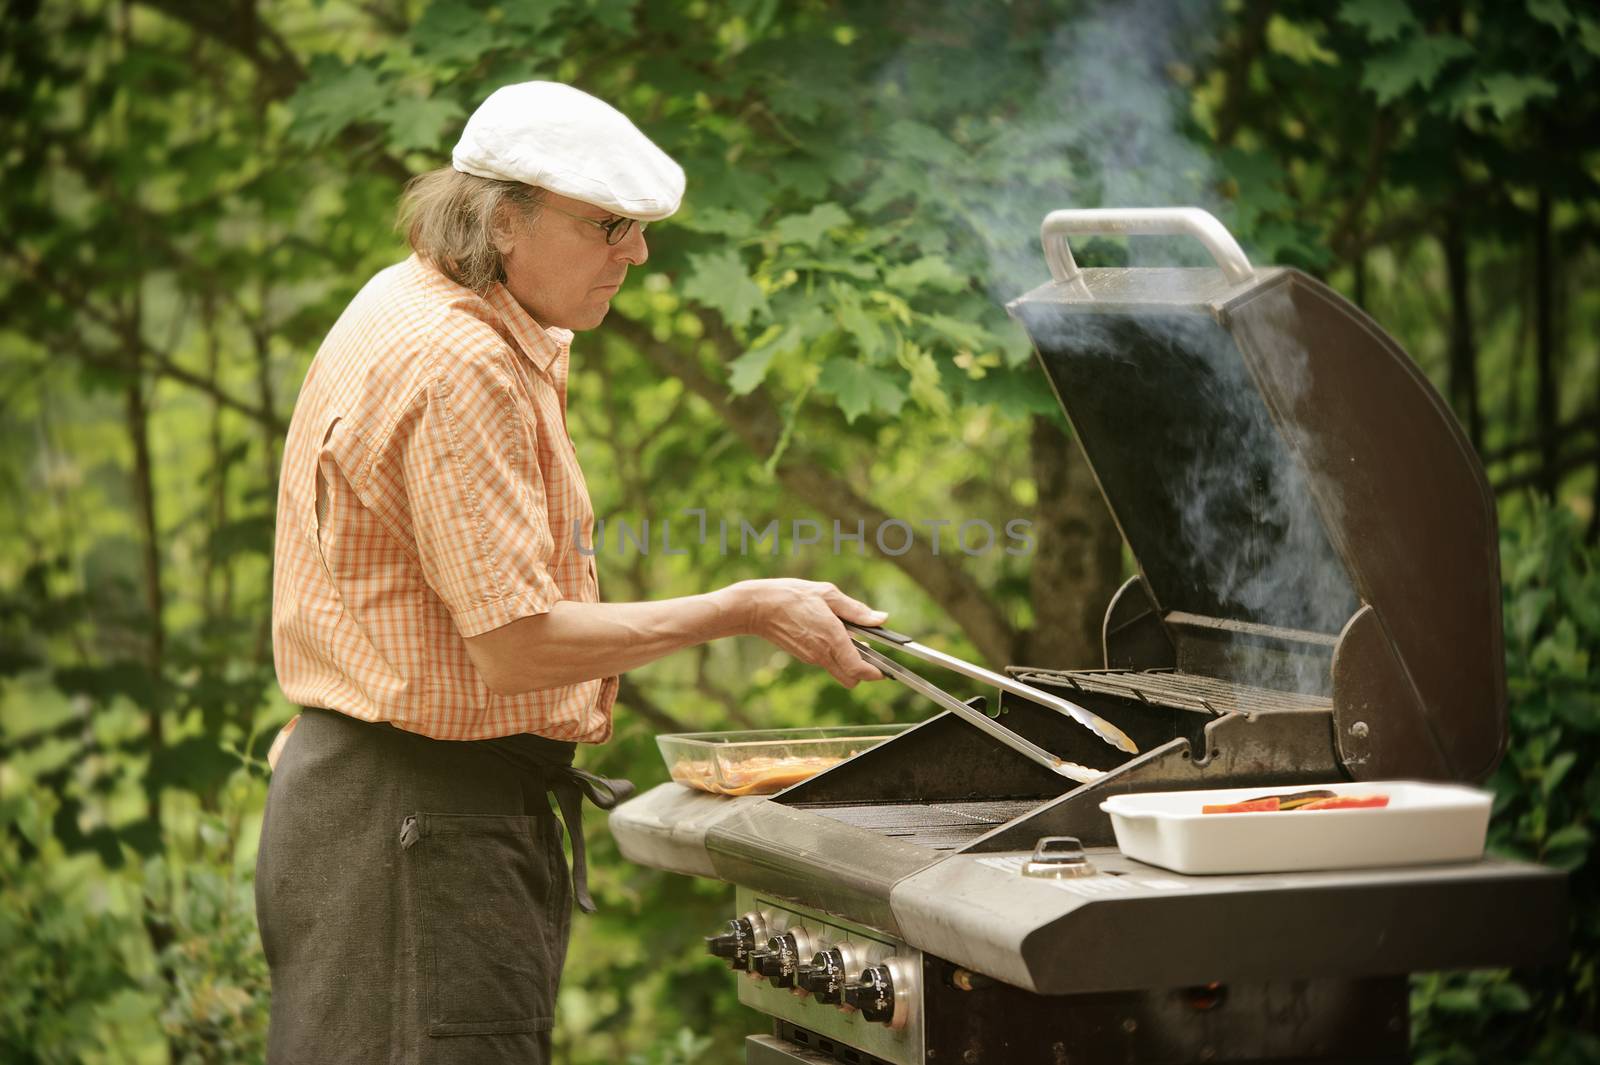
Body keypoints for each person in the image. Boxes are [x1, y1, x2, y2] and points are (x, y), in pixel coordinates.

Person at [255, 80, 885, 1065]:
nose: (635, 254)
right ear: (504, 220)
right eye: (610, 227)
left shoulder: (420, 294)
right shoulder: (456, 361)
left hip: (381, 806)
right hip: (419, 824)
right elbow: (516, 645)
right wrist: (744, 607)